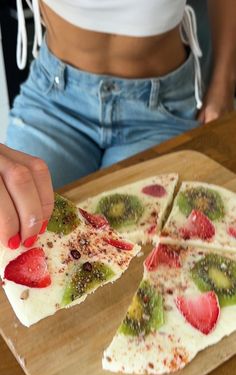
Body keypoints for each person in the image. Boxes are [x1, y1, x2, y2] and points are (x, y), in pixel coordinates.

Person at [0, 0, 235, 250]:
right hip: (54, 100)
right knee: (16, 239)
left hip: (161, 111)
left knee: (155, 264)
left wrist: (223, 83)